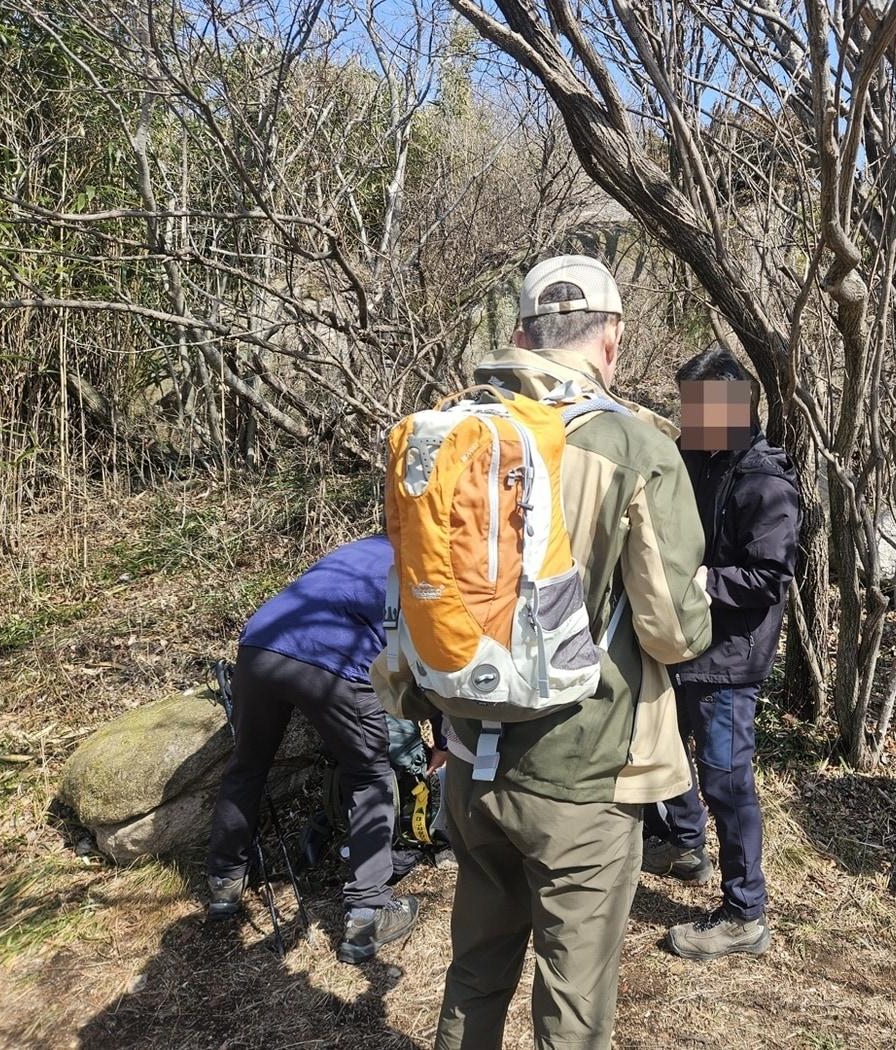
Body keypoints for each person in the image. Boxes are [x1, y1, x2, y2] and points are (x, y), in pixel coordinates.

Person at [373, 255, 713, 1050]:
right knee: (573, 1005)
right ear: (613, 340)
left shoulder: (450, 431)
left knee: (476, 972)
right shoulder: (635, 445)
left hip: (468, 764)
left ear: (520, 334)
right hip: (581, 779)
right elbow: (673, 630)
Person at [207, 535, 440, 964]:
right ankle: (368, 911)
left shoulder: (359, 549)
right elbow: (436, 662)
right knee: (370, 775)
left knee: (247, 766)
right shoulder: (428, 565)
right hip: (336, 663)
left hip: (260, 644)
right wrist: (441, 742)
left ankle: (224, 881)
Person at [641, 347, 800, 960]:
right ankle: (685, 844)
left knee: (726, 779)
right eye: (686, 406)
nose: (689, 417)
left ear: (736, 408)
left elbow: (770, 578)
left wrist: (702, 580)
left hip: (730, 654)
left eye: (699, 407)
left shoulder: (763, 479)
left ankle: (745, 913)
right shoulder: (696, 455)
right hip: (682, 639)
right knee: (661, 743)